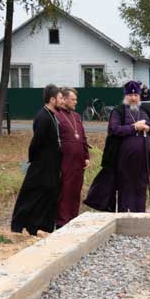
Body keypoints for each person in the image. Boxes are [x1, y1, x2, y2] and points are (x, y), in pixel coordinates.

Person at [84, 80, 150, 213]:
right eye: (130, 95)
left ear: (139, 96)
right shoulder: (118, 111)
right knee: (126, 187)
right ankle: (125, 215)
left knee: (141, 186)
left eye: (136, 95)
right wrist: (134, 127)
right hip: (124, 160)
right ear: (126, 96)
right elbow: (114, 129)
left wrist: (147, 127)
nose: (133, 98)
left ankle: (140, 214)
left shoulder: (145, 110)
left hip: (144, 160)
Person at [11, 84, 63, 235]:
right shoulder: (43, 117)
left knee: (48, 195)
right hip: (41, 165)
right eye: (60, 98)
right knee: (32, 195)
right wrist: (35, 161)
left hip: (52, 165)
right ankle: (19, 225)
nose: (62, 101)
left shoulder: (52, 115)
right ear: (52, 100)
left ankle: (41, 227)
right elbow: (36, 143)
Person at [54, 86, 90, 227]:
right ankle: (62, 222)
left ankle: (73, 218)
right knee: (65, 190)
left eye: (76, 99)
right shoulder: (56, 115)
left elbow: (83, 137)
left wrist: (86, 156)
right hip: (65, 161)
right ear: (64, 99)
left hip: (79, 161)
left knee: (76, 190)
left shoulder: (76, 116)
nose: (76, 102)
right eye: (73, 99)